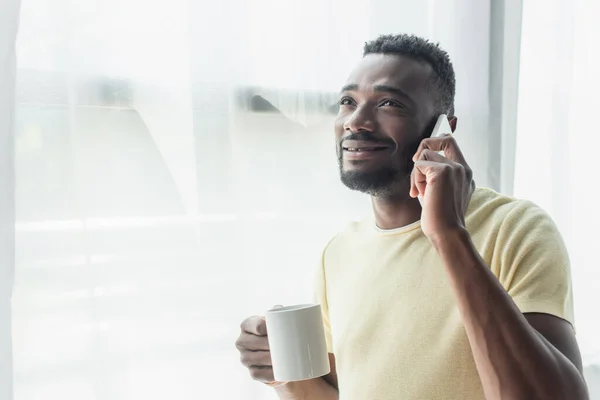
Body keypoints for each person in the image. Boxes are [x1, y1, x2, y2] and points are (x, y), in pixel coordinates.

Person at [235, 33, 589, 400]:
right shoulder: (338, 253)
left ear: (442, 129)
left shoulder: (516, 229)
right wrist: (280, 372)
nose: (356, 121)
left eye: (388, 103)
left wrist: (449, 235)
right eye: (347, 101)